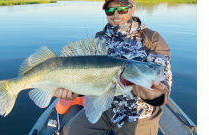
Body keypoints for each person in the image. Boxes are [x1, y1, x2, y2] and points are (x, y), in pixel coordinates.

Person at [55, 0, 172, 134]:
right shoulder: (100, 38)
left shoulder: (152, 39)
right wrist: (75, 90)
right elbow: (95, 78)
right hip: (105, 109)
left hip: (139, 116)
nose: (116, 15)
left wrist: (156, 95)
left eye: (122, 9)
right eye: (110, 10)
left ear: (132, 9)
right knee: (67, 132)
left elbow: (164, 76)